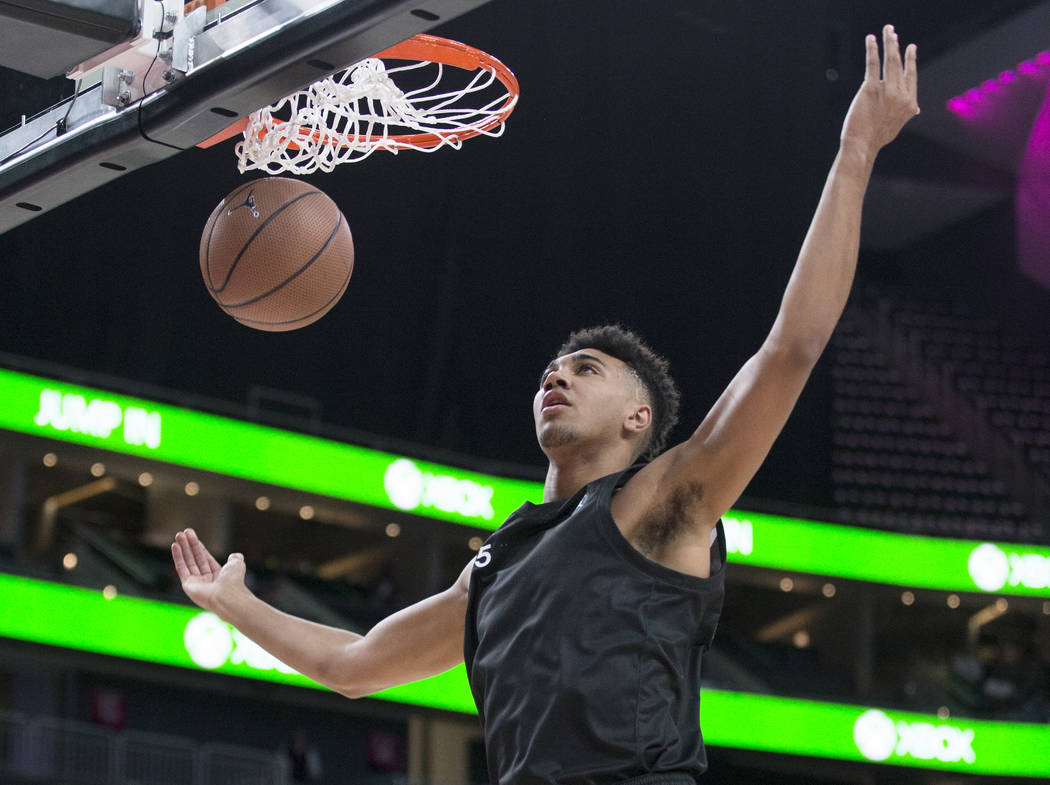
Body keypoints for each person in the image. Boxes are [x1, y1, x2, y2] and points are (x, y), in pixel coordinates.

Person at [172, 25, 919, 785]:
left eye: (585, 369)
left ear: (639, 419)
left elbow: (790, 349)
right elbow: (356, 665)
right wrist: (235, 605)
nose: (554, 377)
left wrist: (856, 151)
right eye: (551, 370)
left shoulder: (664, 501)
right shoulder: (494, 567)